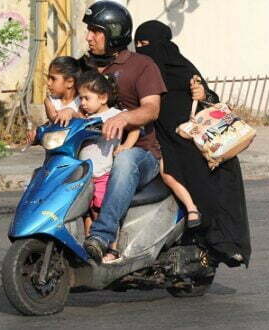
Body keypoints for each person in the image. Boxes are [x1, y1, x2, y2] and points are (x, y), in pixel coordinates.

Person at [134, 20, 251, 266]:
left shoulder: (182, 67)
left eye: (148, 44)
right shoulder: (141, 69)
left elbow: (212, 101)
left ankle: (226, 242)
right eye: (139, 44)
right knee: (177, 166)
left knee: (223, 171)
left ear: (163, 44)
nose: (144, 49)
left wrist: (203, 95)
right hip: (161, 137)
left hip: (193, 136)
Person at [78, 1, 167, 263]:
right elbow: (72, 101)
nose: (88, 37)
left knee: (125, 161)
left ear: (114, 33)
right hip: (92, 147)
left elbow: (152, 109)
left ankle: (102, 235)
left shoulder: (142, 64)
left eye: (95, 31)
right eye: (89, 30)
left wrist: (125, 116)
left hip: (141, 151)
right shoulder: (86, 66)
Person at [76, 70, 141, 242]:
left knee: (102, 211)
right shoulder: (85, 119)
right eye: (80, 98)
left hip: (103, 174)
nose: (82, 103)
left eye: (86, 98)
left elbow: (135, 128)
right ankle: (90, 245)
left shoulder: (115, 115)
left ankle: (110, 246)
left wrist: (126, 146)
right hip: (86, 175)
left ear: (103, 98)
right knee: (86, 212)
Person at [27, 56, 84, 143]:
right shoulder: (50, 101)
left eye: (53, 79)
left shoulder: (82, 100)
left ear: (69, 82)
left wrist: (71, 112)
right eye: (48, 78)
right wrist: (37, 132)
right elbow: (55, 121)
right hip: (55, 147)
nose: (48, 83)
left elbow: (84, 119)